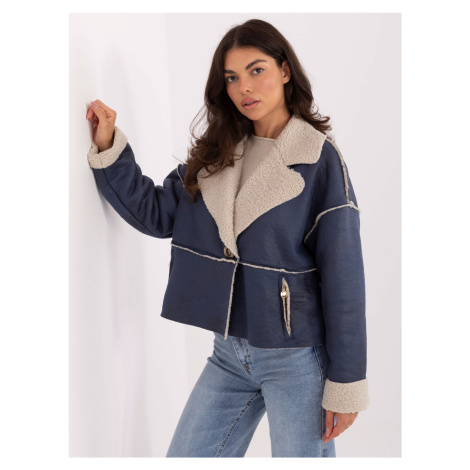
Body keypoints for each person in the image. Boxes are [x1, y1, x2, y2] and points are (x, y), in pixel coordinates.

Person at [85, 18, 369, 458]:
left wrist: (346, 382)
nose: (244, 88)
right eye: (232, 77)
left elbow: (344, 276)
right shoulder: (219, 151)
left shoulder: (319, 160)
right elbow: (157, 214)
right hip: (229, 354)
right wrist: (109, 147)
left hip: (295, 358)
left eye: (257, 70)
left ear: (285, 70)